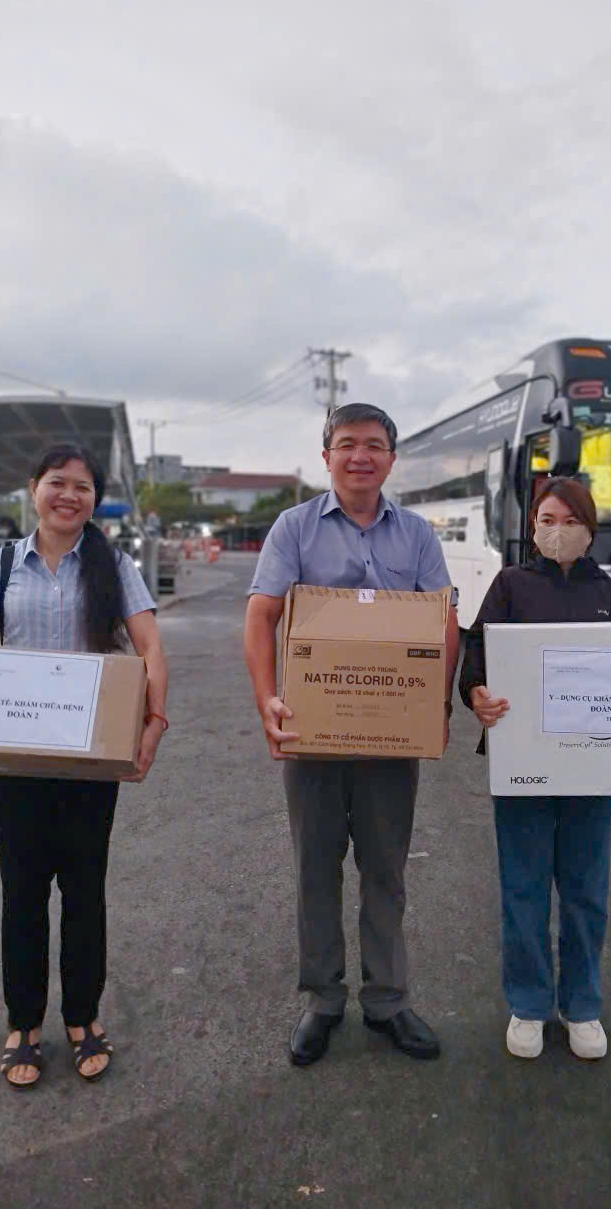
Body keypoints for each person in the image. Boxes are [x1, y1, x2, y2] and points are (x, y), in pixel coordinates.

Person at [0, 444, 168, 1088]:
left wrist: (154, 723)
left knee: (84, 888)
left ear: (95, 499)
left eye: (83, 486)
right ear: (33, 489)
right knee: (21, 890)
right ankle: (23, 1024)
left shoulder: (114, 566)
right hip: (16, 759)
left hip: (91, 756)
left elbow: (151, 647)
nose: (70, 495)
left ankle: (82, 1017)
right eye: (57, 483)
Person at [244, 403, 459, 1067]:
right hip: (314, 732)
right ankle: (323, 999)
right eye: (346, 444)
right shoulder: (294, 528)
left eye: (373, 445)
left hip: (392, 735)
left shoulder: (417, 534)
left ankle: (389, 1000)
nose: (360, 456)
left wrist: (435, 705)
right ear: (327, 456)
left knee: (385, 869)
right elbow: (261, 616)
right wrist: (268, 700)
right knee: (315, 866)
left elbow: (444, 622)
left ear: (391, 458)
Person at [459, 478, 611, 1062]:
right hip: (524, 767)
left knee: (586, 891)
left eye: (570, 521)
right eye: (547, 520)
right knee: (523, 888)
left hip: (596, 769)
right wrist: (476, 696)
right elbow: (476, 660)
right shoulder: (510, 585)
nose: (558, 531)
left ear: (590, 530)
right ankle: (528, 1004)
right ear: (532, 527)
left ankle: (582, 1005)